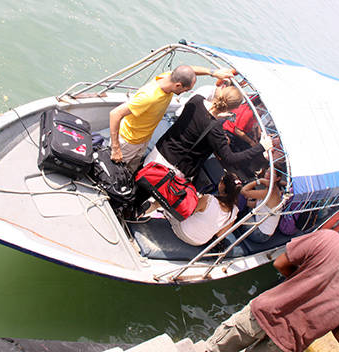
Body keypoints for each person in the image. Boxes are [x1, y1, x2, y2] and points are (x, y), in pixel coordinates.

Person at [205, 198, 339, 352]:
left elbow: (281, 263)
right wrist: (334, 312)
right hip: (287, 345)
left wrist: (303, 279)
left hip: (262, 314)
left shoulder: (328, 239)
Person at [109, 65, 234, 171]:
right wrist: (116, 148)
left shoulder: (169, 76)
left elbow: (189, 70)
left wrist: (212, 73)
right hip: (128, 141)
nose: (185, 92)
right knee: (116, 170)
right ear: (178, 85)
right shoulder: (149, 97)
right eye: (186, 89)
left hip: (143, 139)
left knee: (130, 170)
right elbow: (115, 114)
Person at [144, 86, 273, 180]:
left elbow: (202, 116)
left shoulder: (196, 100)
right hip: (172, 168)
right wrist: (260, 147)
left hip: (159, 152)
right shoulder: (215, 129)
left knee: (140, 182)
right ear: (234, 108)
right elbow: (230, 158)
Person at [165, 173, 241, 246]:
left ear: (223, 186)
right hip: (200, 242)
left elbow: (186, 211)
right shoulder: (234, 212)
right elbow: (219, 235)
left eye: (221, 181)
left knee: (171, 198)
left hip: (183, 232)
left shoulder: (209, 199)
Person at [238, 167, 285, 243]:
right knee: (241, 202)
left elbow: (243, 191)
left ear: (278, 178)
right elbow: (254, 204)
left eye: (272, 173)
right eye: (267, 171)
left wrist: (259, 181)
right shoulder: (275, 189)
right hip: (261, 224)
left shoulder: (269, 193)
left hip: (260, 234)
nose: (268, 174)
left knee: (237, 214)